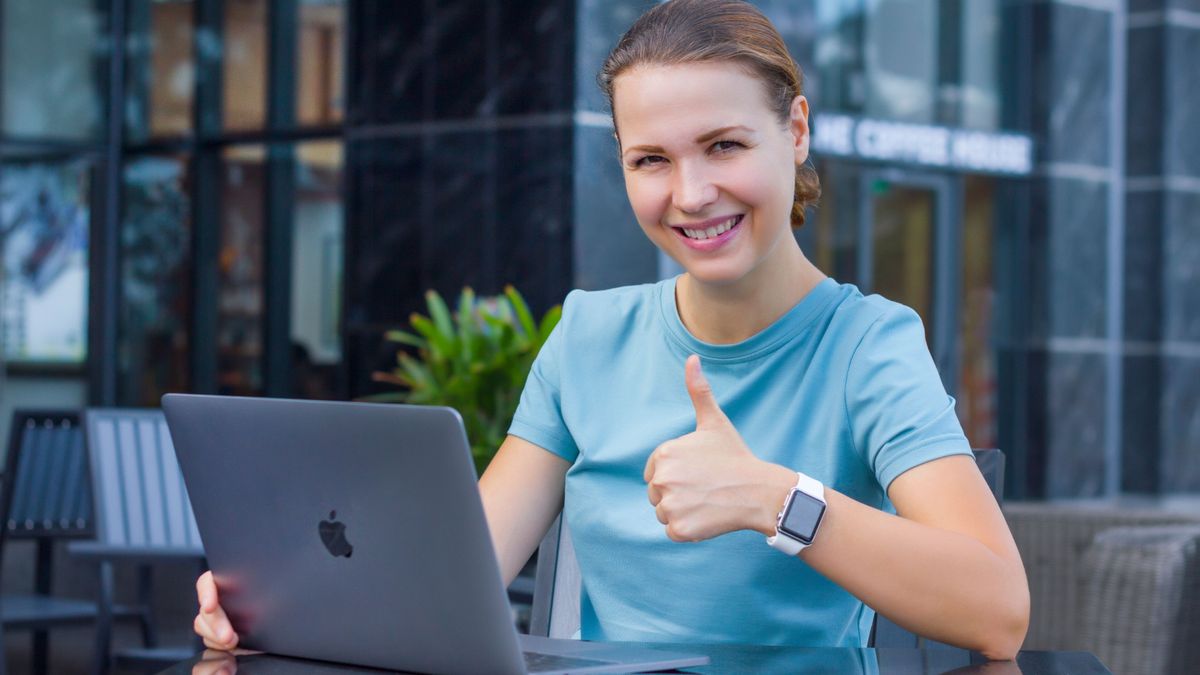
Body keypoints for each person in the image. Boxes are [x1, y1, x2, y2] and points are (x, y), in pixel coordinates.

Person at [194, 0, 1029, 660]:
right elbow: (465, 572)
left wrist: (777, 499)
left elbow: (997, 612)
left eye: (724, 145)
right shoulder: (588, 335)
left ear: (796, 130)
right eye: (651, 160)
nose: (692, 193)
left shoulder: (868, 343)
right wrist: (276, 605)